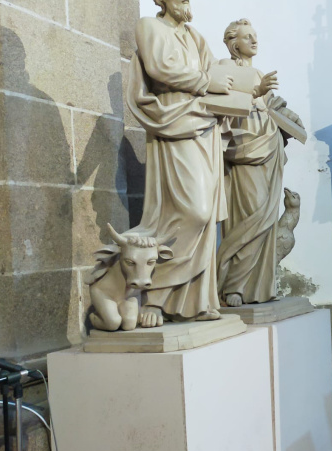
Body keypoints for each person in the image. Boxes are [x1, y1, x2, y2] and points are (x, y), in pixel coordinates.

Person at [124, 0, 242, 326]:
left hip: (204, 126)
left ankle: (196, 300)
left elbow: (215, 73)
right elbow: (159, 68)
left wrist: (239, 87)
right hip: (173, 120)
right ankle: (156, 292)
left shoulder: (196, 37)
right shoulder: (149, 26)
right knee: (193, 210)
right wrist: (206, 83)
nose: (186, 2)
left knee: (205, 220)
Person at [216, 19, 304, 306]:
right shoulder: (224, 68)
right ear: (234, 43)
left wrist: (289, 118)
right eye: (247, 37)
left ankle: (257, 287)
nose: (254, 41)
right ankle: (233, 286)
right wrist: (255, 93)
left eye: (255, 36)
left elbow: (271, 107)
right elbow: (221, 104)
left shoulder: (258, 72)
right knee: (250, 219)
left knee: (266, 221)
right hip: (244, 148)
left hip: (268, 149)